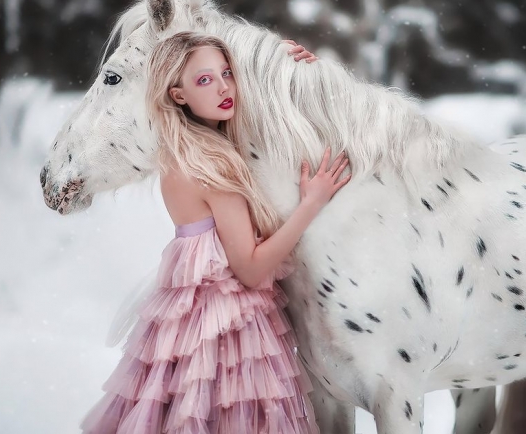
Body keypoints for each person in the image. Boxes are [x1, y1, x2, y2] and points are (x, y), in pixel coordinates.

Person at [80, 32, 350, 433]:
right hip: (226, 336)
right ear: (177, 95)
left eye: (227, 73)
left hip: (193, 331)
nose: (224, 88)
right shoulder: (212, 166)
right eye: (204, 80)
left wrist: (291, 68)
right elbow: (250, 269)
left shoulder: (183, 152)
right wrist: (312, 202)